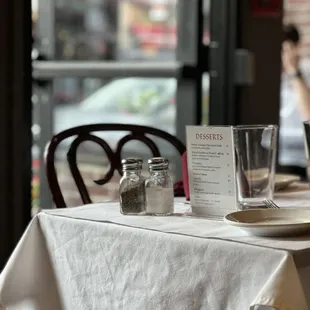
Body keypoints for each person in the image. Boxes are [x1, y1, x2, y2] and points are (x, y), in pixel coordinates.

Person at [279, 24, 310, 179]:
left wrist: (294, 71)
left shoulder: (306, 71)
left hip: (301, 157)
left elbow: (308, 114)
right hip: (277, 154)